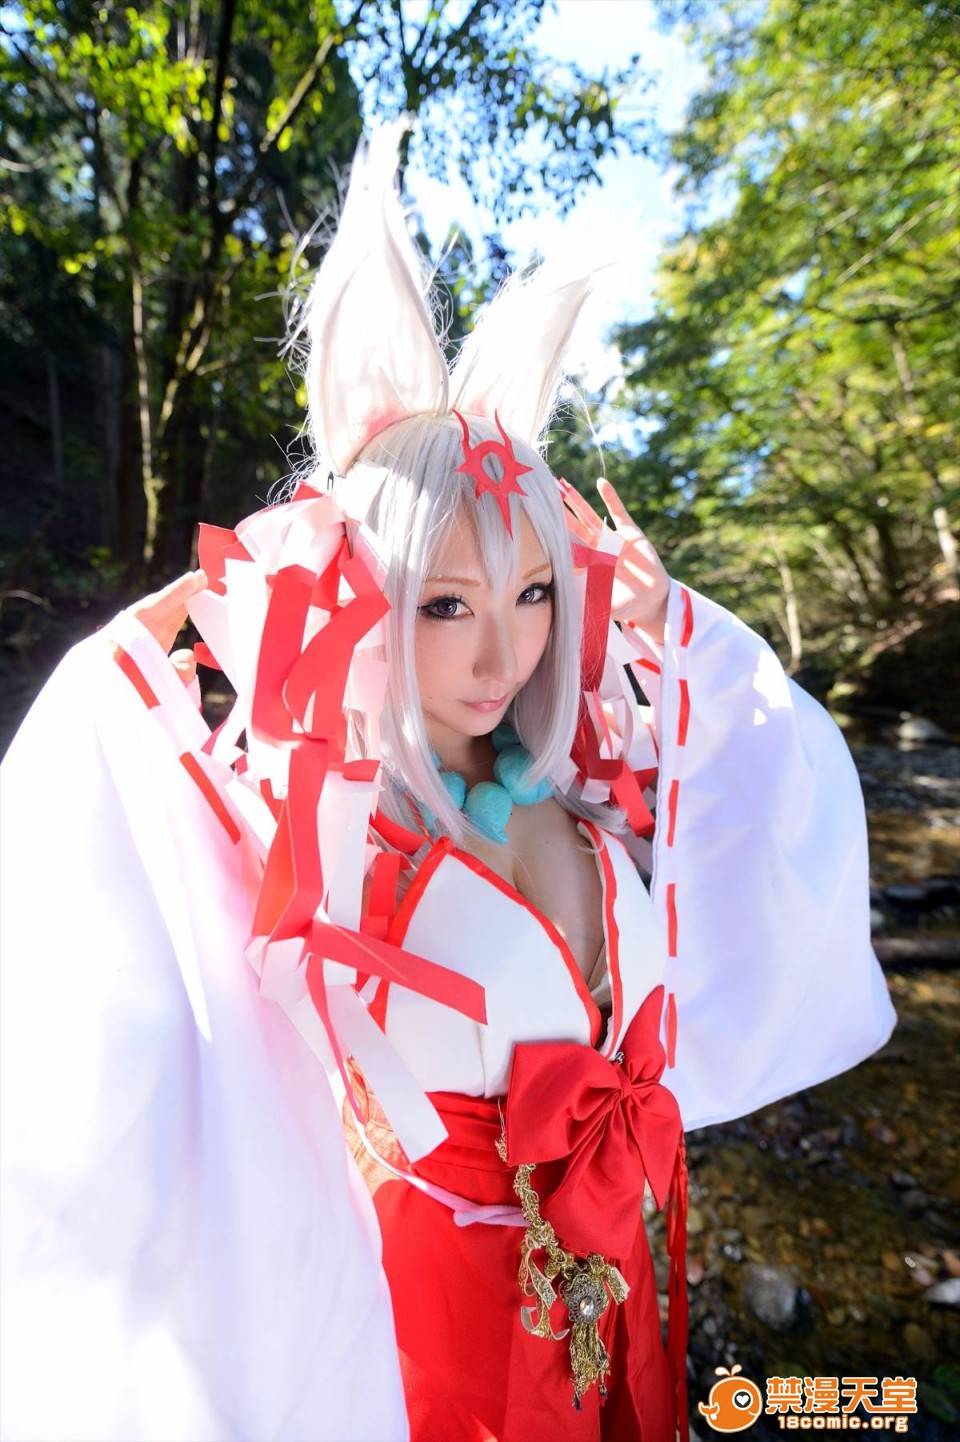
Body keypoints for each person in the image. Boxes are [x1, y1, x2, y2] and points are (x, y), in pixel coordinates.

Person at [0, 119, 897, 1442]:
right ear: (366, 596)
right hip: (434, 1320)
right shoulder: (319, 833)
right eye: (446, 603)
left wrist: (686, 633)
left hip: (620, 1270)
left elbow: (774, 814)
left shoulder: (599, 775)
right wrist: (113, 690)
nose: (502, 652)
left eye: (533, 594)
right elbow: (114, 987)